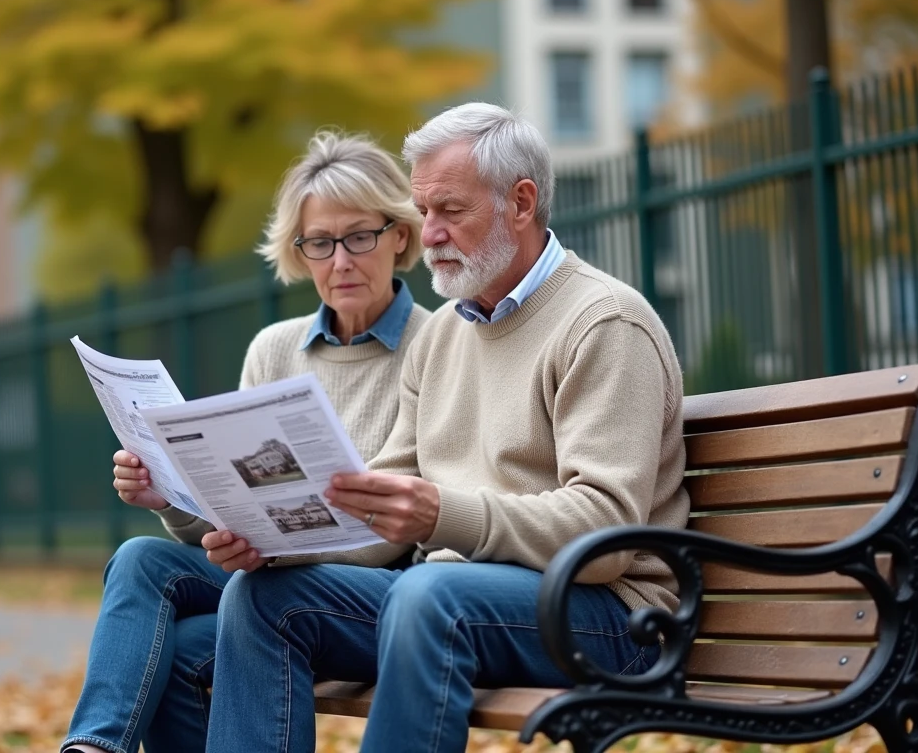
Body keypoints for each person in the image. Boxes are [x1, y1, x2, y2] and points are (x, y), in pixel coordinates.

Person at [204, 103, 691, 753]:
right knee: (264, 596)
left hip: (612, 617)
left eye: (448, 211)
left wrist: (444, 515)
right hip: (456, 598)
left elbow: (607, 540)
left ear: (521, 203)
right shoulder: (445, 338)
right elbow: (384, 497)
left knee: (429, 591)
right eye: (422, 210)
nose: (426, 232)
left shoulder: (603, 323)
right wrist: (280, 542)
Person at [60, 132, 432, 753]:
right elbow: (230, 509)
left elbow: (394, 530)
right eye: (320, 242)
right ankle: (92, 747)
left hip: (372, 592)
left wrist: (275, 552)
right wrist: (169, 497)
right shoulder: (274, 349)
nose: (340, 260)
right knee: (138, 559)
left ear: (399, 235)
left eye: (359, 235)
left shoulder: (436, 343)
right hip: (266, 576)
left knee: (185, 646)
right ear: (301, 251)